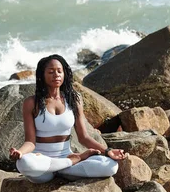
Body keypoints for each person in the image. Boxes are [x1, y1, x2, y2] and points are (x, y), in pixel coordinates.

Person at [9, 54, 127, 183]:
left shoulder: (74, 100)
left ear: (65, 74)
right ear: (42, 75)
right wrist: (20, 153)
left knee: (111, 166)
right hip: (42, 161)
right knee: (24, 163)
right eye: (51, 72)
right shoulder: (32, 103)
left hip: (65, 156)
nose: (56, 75)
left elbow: (84, 137)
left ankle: (63, 166)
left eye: (59, 71)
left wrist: (108, 151)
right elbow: (30, 142)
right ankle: (70, 162)